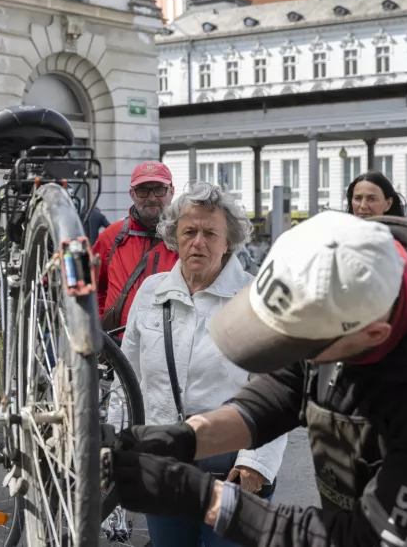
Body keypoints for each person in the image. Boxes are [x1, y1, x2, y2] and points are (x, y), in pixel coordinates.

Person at [112, 211, 407, 547]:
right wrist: (185, 438)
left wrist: (203, 498)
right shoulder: (346, 265)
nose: (296, 358)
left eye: (299, 347)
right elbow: (283, 389)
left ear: (373, 337)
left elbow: (367, 538)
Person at [119, 182, 286, 547]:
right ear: (174, 237)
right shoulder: (151, 291)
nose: (199, 242)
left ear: (230, 242)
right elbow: (126, 378)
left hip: (231, 473)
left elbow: (278, 389)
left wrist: (255, 463)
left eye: (211, 233)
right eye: (189, 231)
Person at [94, 161, 179, 332]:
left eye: (159, 189)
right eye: (143, 190)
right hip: (117, 347)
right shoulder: (112, 236)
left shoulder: (186, 236)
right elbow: (93, 287)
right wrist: (101, 325)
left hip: (171, 347)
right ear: (132, 194)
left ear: (171, 191)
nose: (152, 197)